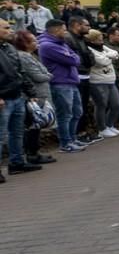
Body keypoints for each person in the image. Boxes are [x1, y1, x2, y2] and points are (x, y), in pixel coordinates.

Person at [0, 20, 40, 180]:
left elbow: (20, 71)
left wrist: (30, 91)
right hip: (4, 98)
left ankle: (16, 163)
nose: (11, 30)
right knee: (0, 135)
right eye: (6, 28)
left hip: (17, 96)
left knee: (16, 132)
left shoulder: (8, 47)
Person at [38, 20, 85, 152]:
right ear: (56, 30)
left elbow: (76, 57)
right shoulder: (47, 45)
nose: (66, 32)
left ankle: (72, 138)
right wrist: (72, 57)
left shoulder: (61, 43)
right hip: (60, 83)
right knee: (65, 114)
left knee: (77, 112)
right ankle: (65, 143)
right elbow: (73, 59)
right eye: (64, 30)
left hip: (71, 82)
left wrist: (72, 56)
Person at [13, 30, 56, 166]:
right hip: (35, 96)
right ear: (24, 43)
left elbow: (43, 73)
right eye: (33, 40)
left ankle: (34, 153)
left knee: (36, 127)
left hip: (40, 94)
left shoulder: (30, 55)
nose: (37, 42)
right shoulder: (23, 57)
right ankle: (32, 155)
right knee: (33, 126)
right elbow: (39, 76)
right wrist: (48, 75)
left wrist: (46, 74)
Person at [84, 29, 119, 140]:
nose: (102, 40)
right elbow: (101, 62)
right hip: (97, 81)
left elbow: (116, 53)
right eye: (99, 38)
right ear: (92, 39)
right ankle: (102, 129)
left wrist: (108, 57)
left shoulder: (103, 47)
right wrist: (110, 57)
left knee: (116, 105)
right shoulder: (89, 49)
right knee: (101, 105)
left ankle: (110, 125)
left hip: (110, 80)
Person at [65, 16, 95, 140]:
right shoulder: (68, 38)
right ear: (77, 25)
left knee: (83, 105)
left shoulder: (82, 39)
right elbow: (74, 59)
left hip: (85, 74)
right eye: (86, 25)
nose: (89, 27)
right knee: (77, 107)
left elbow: (89, 57)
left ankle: (82, 131)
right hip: (77, 76)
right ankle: (77, 133)